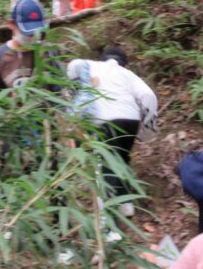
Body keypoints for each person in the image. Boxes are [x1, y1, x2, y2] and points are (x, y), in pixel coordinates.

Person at [66, 47, 158, 218]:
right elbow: (148, 95)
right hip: (130, 120)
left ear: (102, 58)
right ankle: (125, 204)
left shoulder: (91, 65)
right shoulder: (127, 74)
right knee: (121, 158)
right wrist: (147, 132)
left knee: (104, 167)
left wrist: (75, 95)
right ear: (126, 64)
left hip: (103, 121)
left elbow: (74, 65)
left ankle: (107, 222)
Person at [0, 0, 50, 162]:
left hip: (44, 134)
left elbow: (59, 95)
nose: (31, 36)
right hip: (11, 132)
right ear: (11, 25)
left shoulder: (47, 53)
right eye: (27, 31)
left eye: (35, 31)